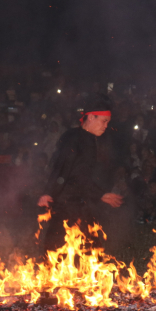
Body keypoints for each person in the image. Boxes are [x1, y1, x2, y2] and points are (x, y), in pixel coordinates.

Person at [37, 95, 123, 252]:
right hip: (70, 203)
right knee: (80, 247)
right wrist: (100, 194)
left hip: (71, 201)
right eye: (104, 121)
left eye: (108, 122)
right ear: (91, 117)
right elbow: (70, 171)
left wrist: (49, 191)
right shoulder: (83, 141)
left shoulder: (74, 135)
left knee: (65, 247)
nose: (106, 126)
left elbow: (62, 168)